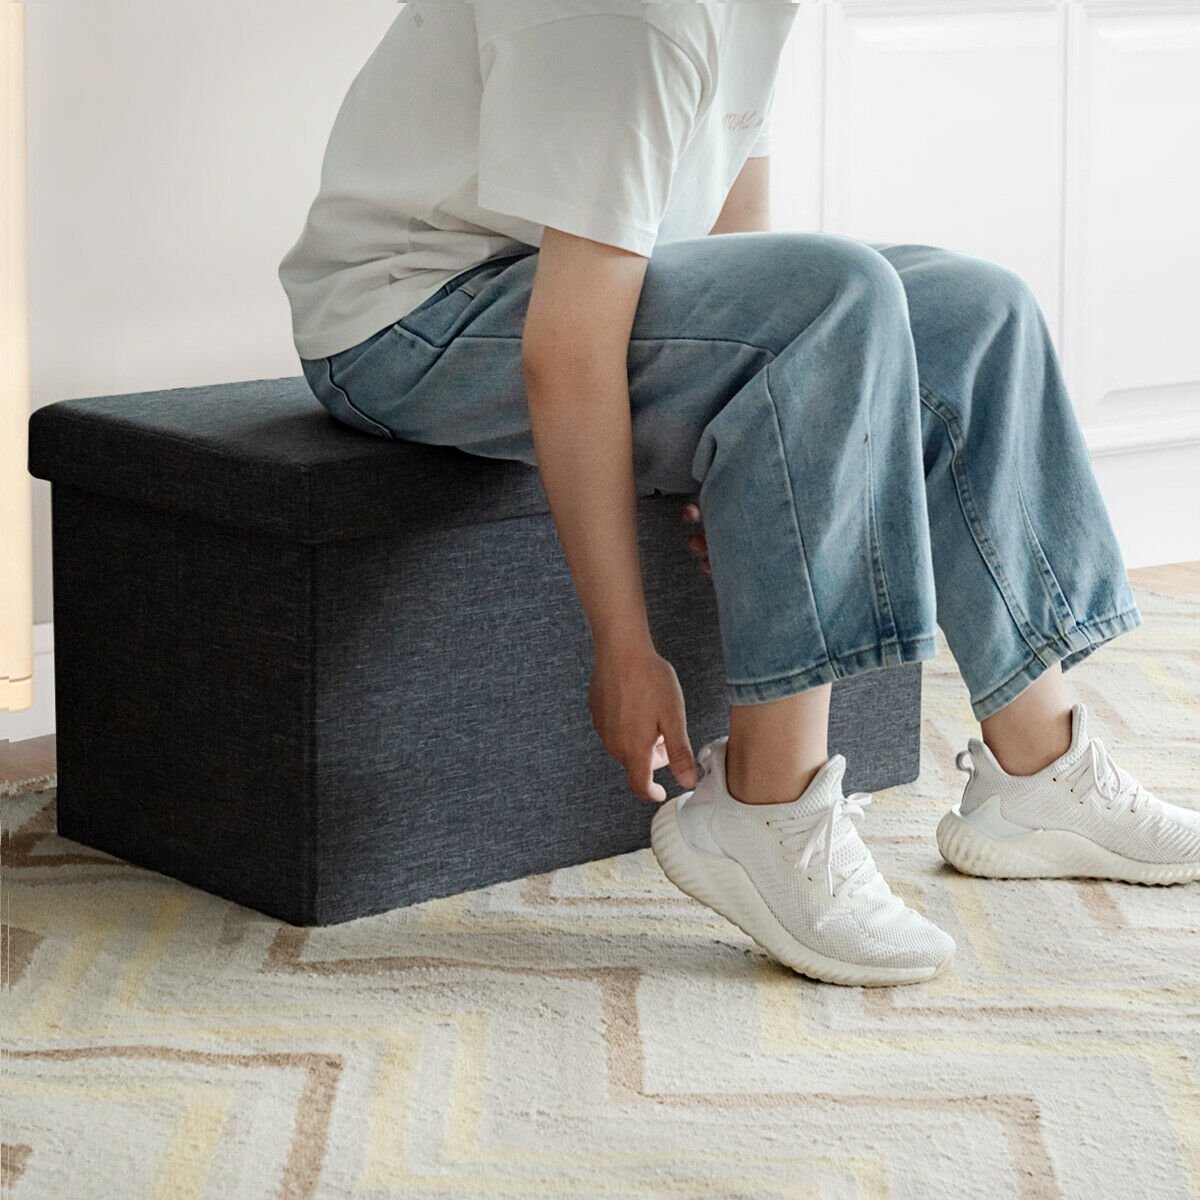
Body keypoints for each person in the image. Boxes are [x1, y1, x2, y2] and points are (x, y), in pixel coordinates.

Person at [278, 0, 1200, 987]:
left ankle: (1038, 767)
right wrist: (622, 646)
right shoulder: (633, 15)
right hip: (413, 315)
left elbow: (737, 237)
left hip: (578, 281)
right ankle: (766, 808)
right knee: (837, 296)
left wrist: (755, 431)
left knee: (976, 310)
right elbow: (565, 351)